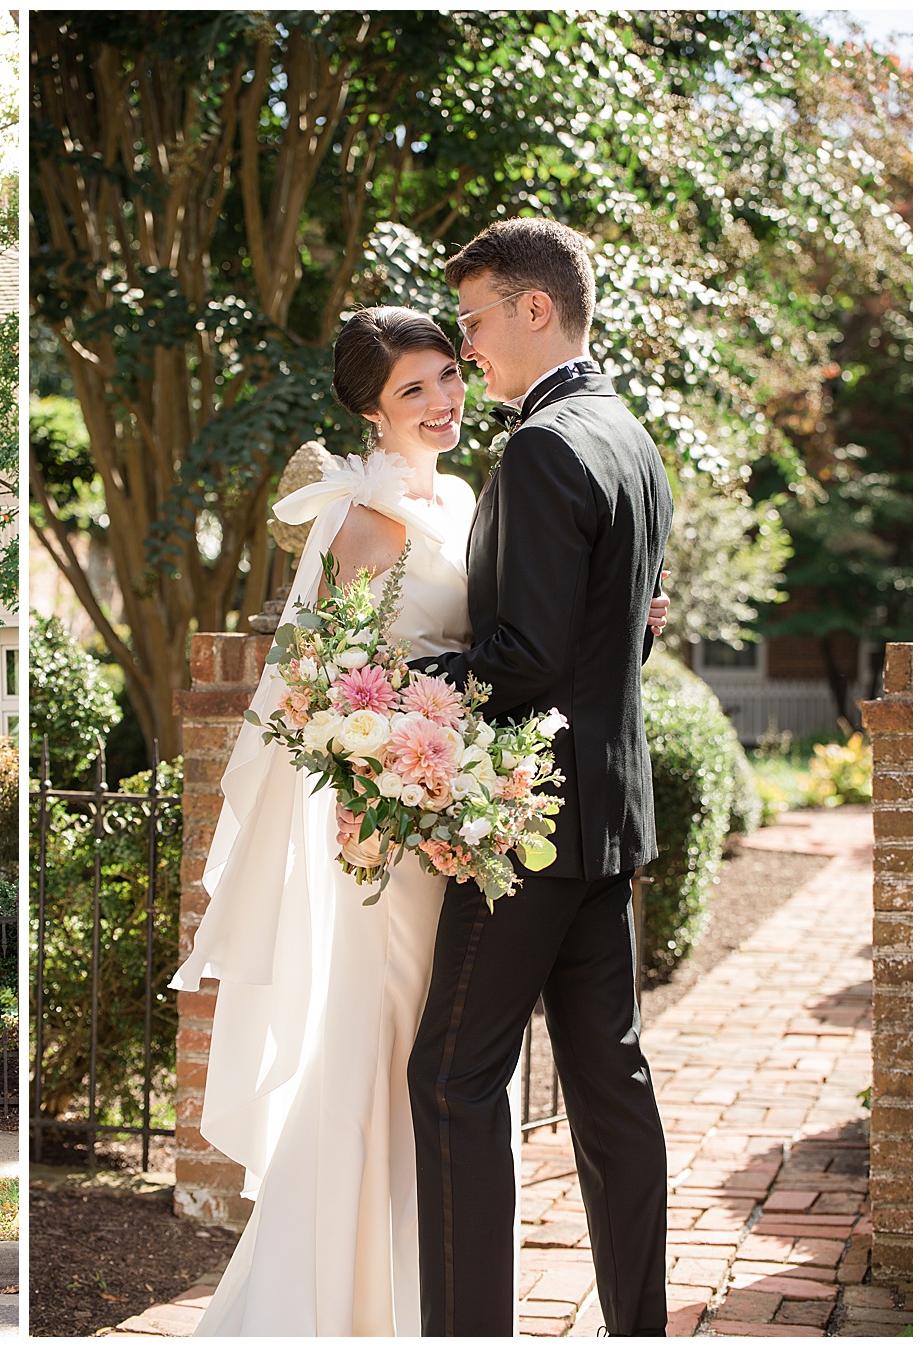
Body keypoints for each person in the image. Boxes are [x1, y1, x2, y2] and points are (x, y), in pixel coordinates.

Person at [170, 302, 671, 1334]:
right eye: (415, 390)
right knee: (395, 1054)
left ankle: (423, 1298)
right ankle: (345, 1300)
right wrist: (404, 753)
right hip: (399, 834)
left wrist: (620, 623)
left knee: (439, 1074)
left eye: (449, 375)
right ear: (369, 411)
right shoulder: (364, 522)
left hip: (467, 819)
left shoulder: (473, 493)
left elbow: (520, 639)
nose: (445, 400)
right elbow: (324, 690)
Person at [407, 217, 673, 1337]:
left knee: (454, 1080)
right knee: (609, 1086)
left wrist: (406, 683)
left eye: (472, 323)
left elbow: (531, 658)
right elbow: (624, 629)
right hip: (606, 821)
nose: (468, 352)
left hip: (527, 827)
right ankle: (640, 1327)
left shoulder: (543, 445)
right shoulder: (628, 437)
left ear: (532, 308)